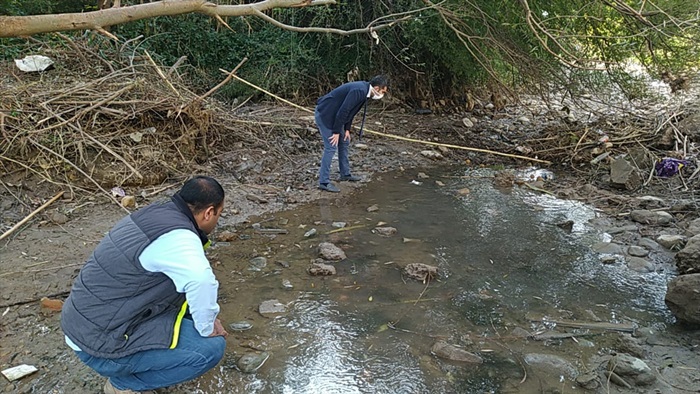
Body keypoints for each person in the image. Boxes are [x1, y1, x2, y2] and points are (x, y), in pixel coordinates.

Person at [61, 176, 229, 394]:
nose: (217, 220)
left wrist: (205, 315)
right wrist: (207, 328)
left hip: (84, 325)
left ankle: (135, 367)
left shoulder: (157, 213)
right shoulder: (180, 238)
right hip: (97, 344)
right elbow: (201, 280)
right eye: (219, 213)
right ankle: (123, 385)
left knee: (194, 308)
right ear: (208, 212)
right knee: (210, 349)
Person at [315, 75, 389, 192]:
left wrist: (347, 129)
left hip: (336, 117)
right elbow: (344, 110)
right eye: (383, 91)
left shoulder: (365, 92)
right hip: (326, 114)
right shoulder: (359, 90)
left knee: (344, 141)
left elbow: (351, 111)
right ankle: (324, 182)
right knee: (331, 147)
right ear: (376, 88)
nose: (383, 94)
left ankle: (345, 174)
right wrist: (335, 131)